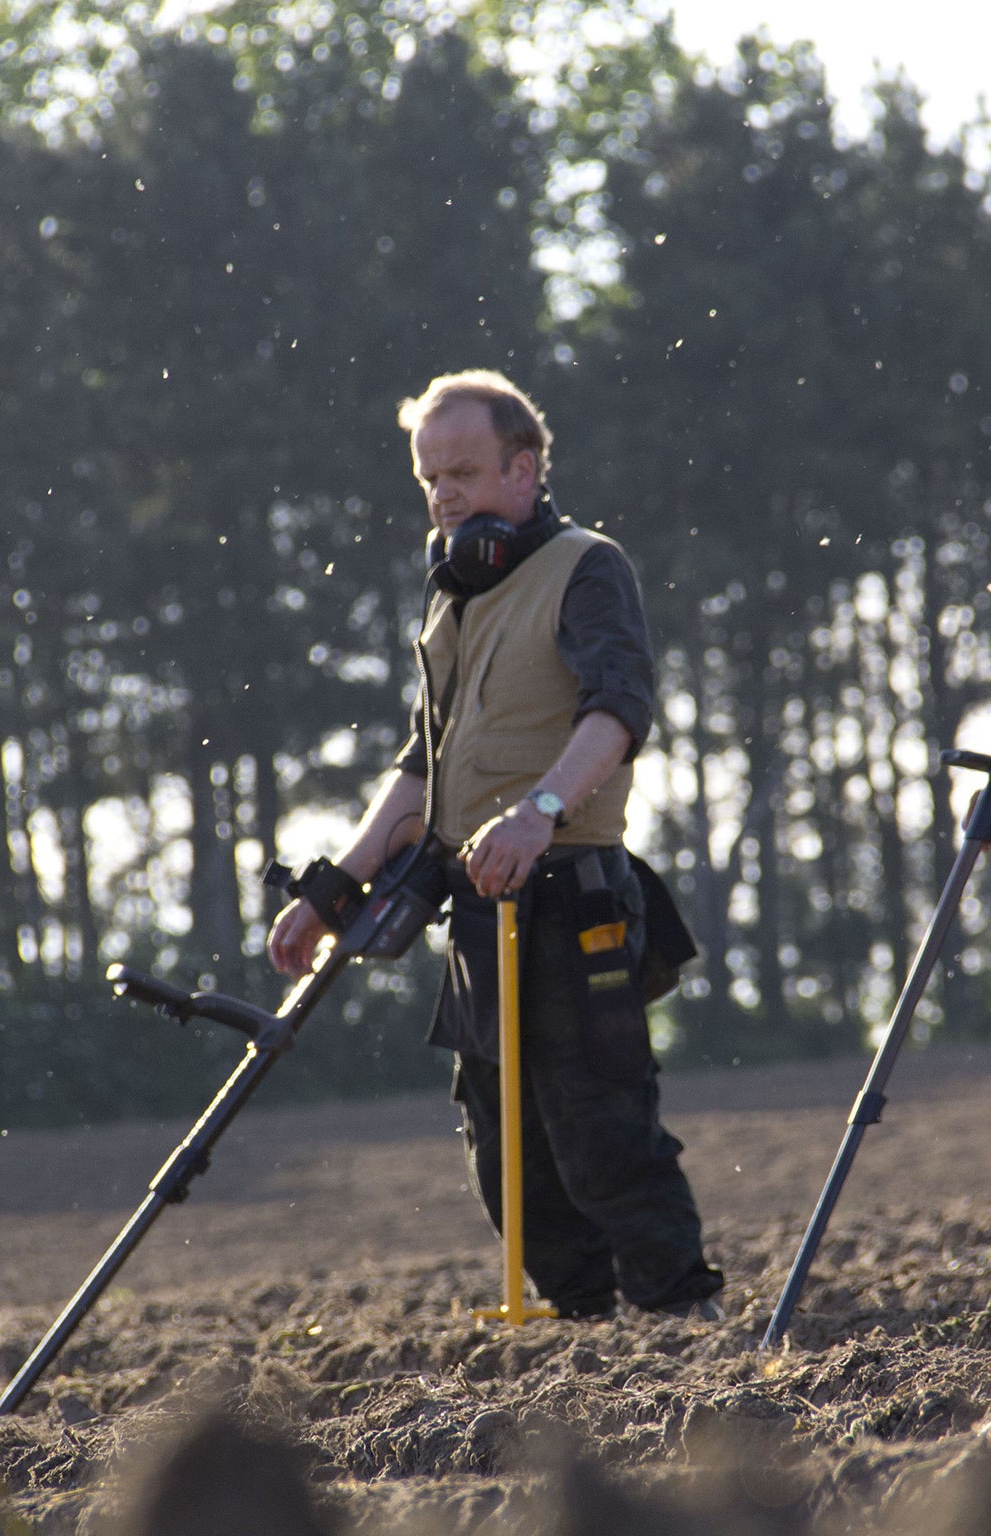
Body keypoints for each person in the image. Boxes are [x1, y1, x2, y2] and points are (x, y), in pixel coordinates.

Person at [267, 369, 723, 1320]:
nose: (444, 497)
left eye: (464, 473)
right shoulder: (451, 599)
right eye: (430, 479)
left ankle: (682, 1321)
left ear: (523, 472)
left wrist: (541, 807)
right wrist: (331, 890)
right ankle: (585, 1326)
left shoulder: (587, 567)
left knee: (601, 1134)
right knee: (503, 1151)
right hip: (478, 911)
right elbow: (420, 766)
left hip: (572, 896)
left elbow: (621, 708)